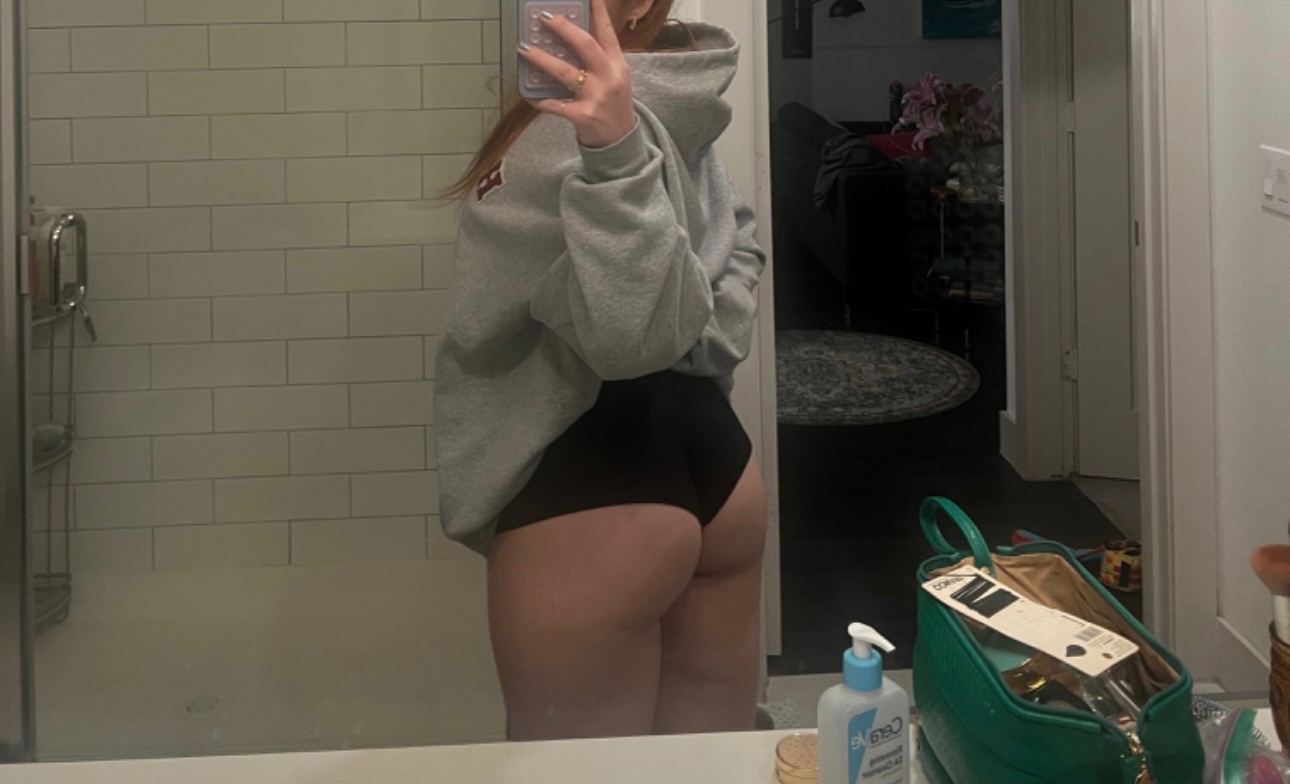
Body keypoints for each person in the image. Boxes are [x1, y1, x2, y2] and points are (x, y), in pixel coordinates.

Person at [434, 0, 767, 741]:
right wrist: (702, 340)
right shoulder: (667, 96)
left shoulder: (597, 118)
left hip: (587, 490)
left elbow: (630, 337)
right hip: (713, 463)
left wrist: (614, 155)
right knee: (709, 768)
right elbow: (736, 238)